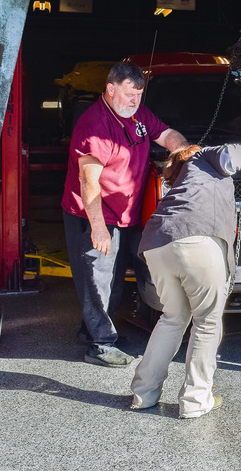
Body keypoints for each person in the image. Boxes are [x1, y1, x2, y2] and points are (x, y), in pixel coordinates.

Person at [61, 60, 188, 368]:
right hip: (94, 213)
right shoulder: (95, 126)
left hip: (125, 213)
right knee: (98, 278)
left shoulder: (137, 115)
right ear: (110, 89)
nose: (135, 100)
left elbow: (166, 133)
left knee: (114, 277)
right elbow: (88, 181)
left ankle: (91, 330)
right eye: (130, 94)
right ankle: (100, 345)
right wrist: (98, 228)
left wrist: (186, 151)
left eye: (140, 94)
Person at [130, 143, 241, 418]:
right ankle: (195, 400)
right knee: (207, 322)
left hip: (157, 243)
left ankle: (143, 393)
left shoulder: (181, 182)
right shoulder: (205, 156)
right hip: (197, 240)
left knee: (173, 318)